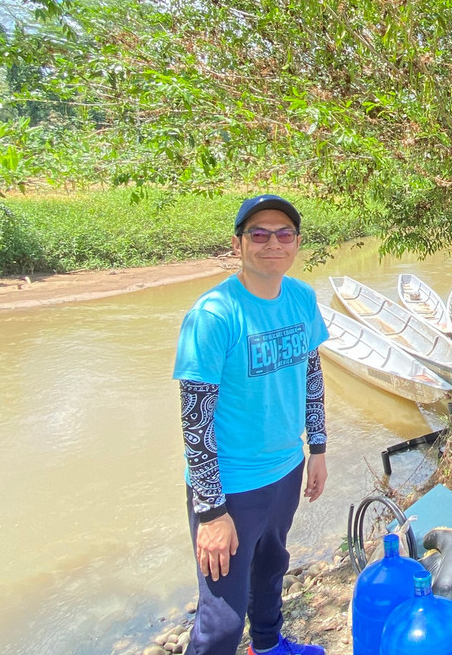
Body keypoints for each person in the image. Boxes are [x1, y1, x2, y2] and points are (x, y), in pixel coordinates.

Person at [173, 194, 330, 655]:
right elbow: (194, 420)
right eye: (258, 234)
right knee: (221, 620)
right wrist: (211, 511)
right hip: (233, 486)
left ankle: (268, 646)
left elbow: (312, 374)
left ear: (297, 242)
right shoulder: (213, 315)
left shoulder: (302, 297)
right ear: (239, 243)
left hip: (286, 469)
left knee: (271, 569)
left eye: (283, 234)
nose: (272, 244)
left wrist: (317, 449)